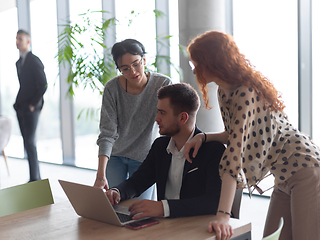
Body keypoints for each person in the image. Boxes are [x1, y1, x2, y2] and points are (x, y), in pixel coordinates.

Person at [184, 30, 320, 240]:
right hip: (282, 173)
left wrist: (223, 215)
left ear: (210, 62)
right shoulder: (224, 91)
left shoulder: (245, 92)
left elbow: (234, 155)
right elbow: (233, 134)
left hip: (303, 167)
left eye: (195, 64)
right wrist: (203, 137)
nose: (194, 71)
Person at [105, 83, 225, 219]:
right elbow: (137, 181)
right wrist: (117, 191)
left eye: (162, 113)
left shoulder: (213, 150)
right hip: (164, 227)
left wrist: (163, 208)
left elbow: (214, 202)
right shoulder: (160, 146)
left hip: (198, 228)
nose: (156, 118)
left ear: (182, 118)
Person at [94, 39, 172, 200]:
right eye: (125, 68)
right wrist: (101, 175)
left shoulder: (163, 84)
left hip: (145, 158)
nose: (133, 72)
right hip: (115, 157)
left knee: (139, 211)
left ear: (144, 60)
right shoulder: (112, 89)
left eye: (136, 64)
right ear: (119, 69)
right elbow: (107, 132)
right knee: (115, 206)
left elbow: (170, 123)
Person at [14, 29, 47, 182]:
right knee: (26, 143)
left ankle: (35, 178)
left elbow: (43, 85)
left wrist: (33, 105)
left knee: (30, 142)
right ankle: (33, 177)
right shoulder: (19, 62)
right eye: (16, 39)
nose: (17, 41)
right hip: (20, 107)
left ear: (28, 41)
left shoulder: (34, 60)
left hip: (31, 108)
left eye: (20, 38)